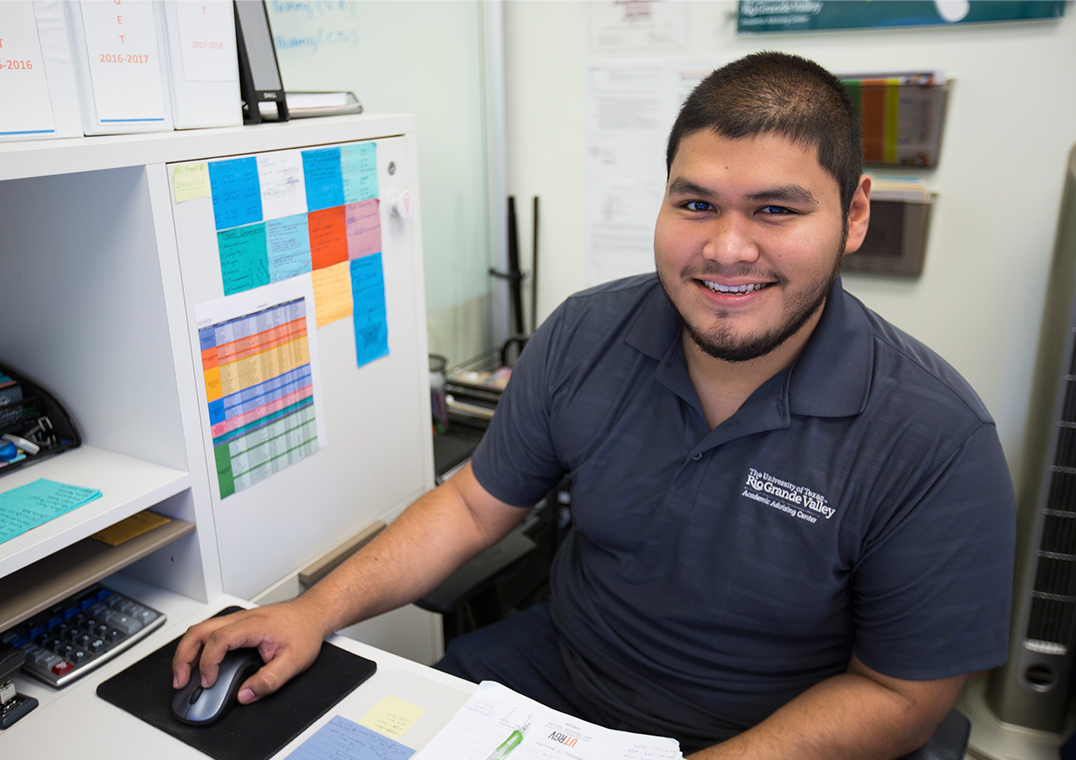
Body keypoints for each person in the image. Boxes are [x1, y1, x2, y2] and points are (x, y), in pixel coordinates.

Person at [173, 52, 1015, 759]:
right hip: (561, 685)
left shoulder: (936, 437)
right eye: (696, 205)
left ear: (854, 213)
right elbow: (471, 506)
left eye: (776, 210)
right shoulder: (586, 333)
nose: (727, 249)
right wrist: (315, 610)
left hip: (771, 732)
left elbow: (902, 694)